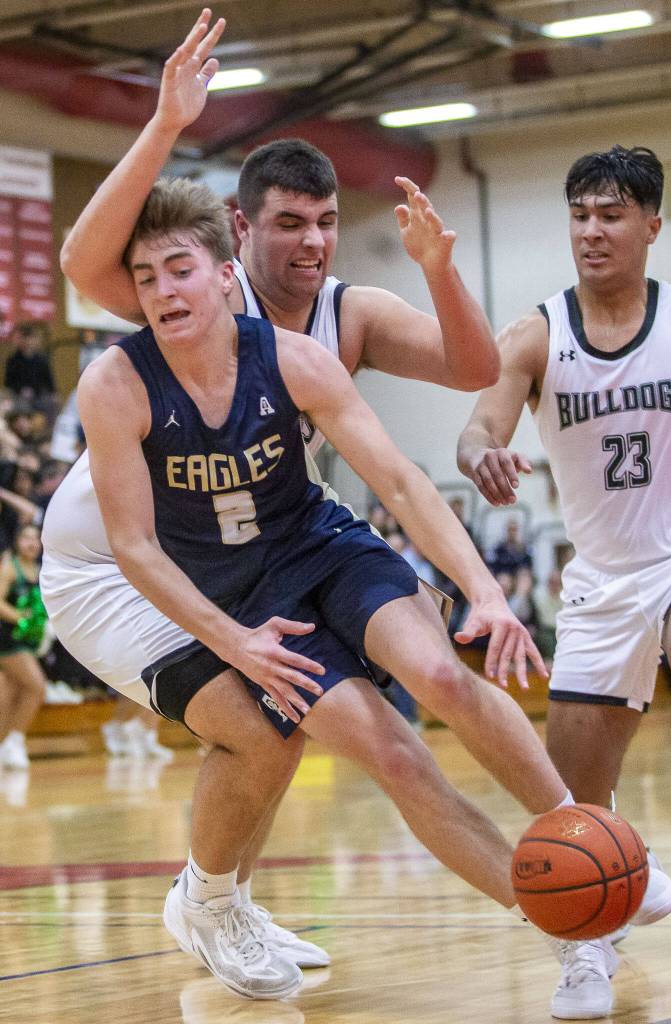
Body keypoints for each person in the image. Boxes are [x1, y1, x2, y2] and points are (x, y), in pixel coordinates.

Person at [43, 164, 609, 1008]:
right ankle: (573, 932)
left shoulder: (298, 359)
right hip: (231, 589)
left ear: (225, 274)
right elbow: (134, 547)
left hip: (318, 542)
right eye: (147, 277)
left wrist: (483, 591)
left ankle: (588, 836)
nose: (163, 290)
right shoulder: (117, 384)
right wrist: (234, 642)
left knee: (446, 674)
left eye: (182, 270)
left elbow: (405, 486)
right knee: (392, 753)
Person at [54, 7, 503, 975]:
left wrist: (439, 273)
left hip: (232, 549)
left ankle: (223, 900)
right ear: (238, 243)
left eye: (327, 223)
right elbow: (81, 260)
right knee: (266, 720)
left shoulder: (339, 317)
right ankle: (208, 900)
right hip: (120, 560)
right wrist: (169, 120)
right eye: (289, 224)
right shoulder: (192, 293)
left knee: (297, 717)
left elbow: (466, 377)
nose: (312, 243)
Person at [458, 143, 671, 1016]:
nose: (592, 230)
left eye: (612, 213)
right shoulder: (537, 333)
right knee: (571, 804)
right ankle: (591, 945)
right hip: (601, 582)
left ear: (652, 225)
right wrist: (483, 458)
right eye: (580, 213)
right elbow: (478, 427)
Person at [0, 524, 48, 768]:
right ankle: (15, 740)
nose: (31, 543)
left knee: (8, 692)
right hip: (7, 638)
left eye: (35, 538)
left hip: (28, 640)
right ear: (16, 541)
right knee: (36, 687)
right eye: (26, 538)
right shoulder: (9, 567)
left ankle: (4, 744)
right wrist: (21, 618)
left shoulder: (41, 570)